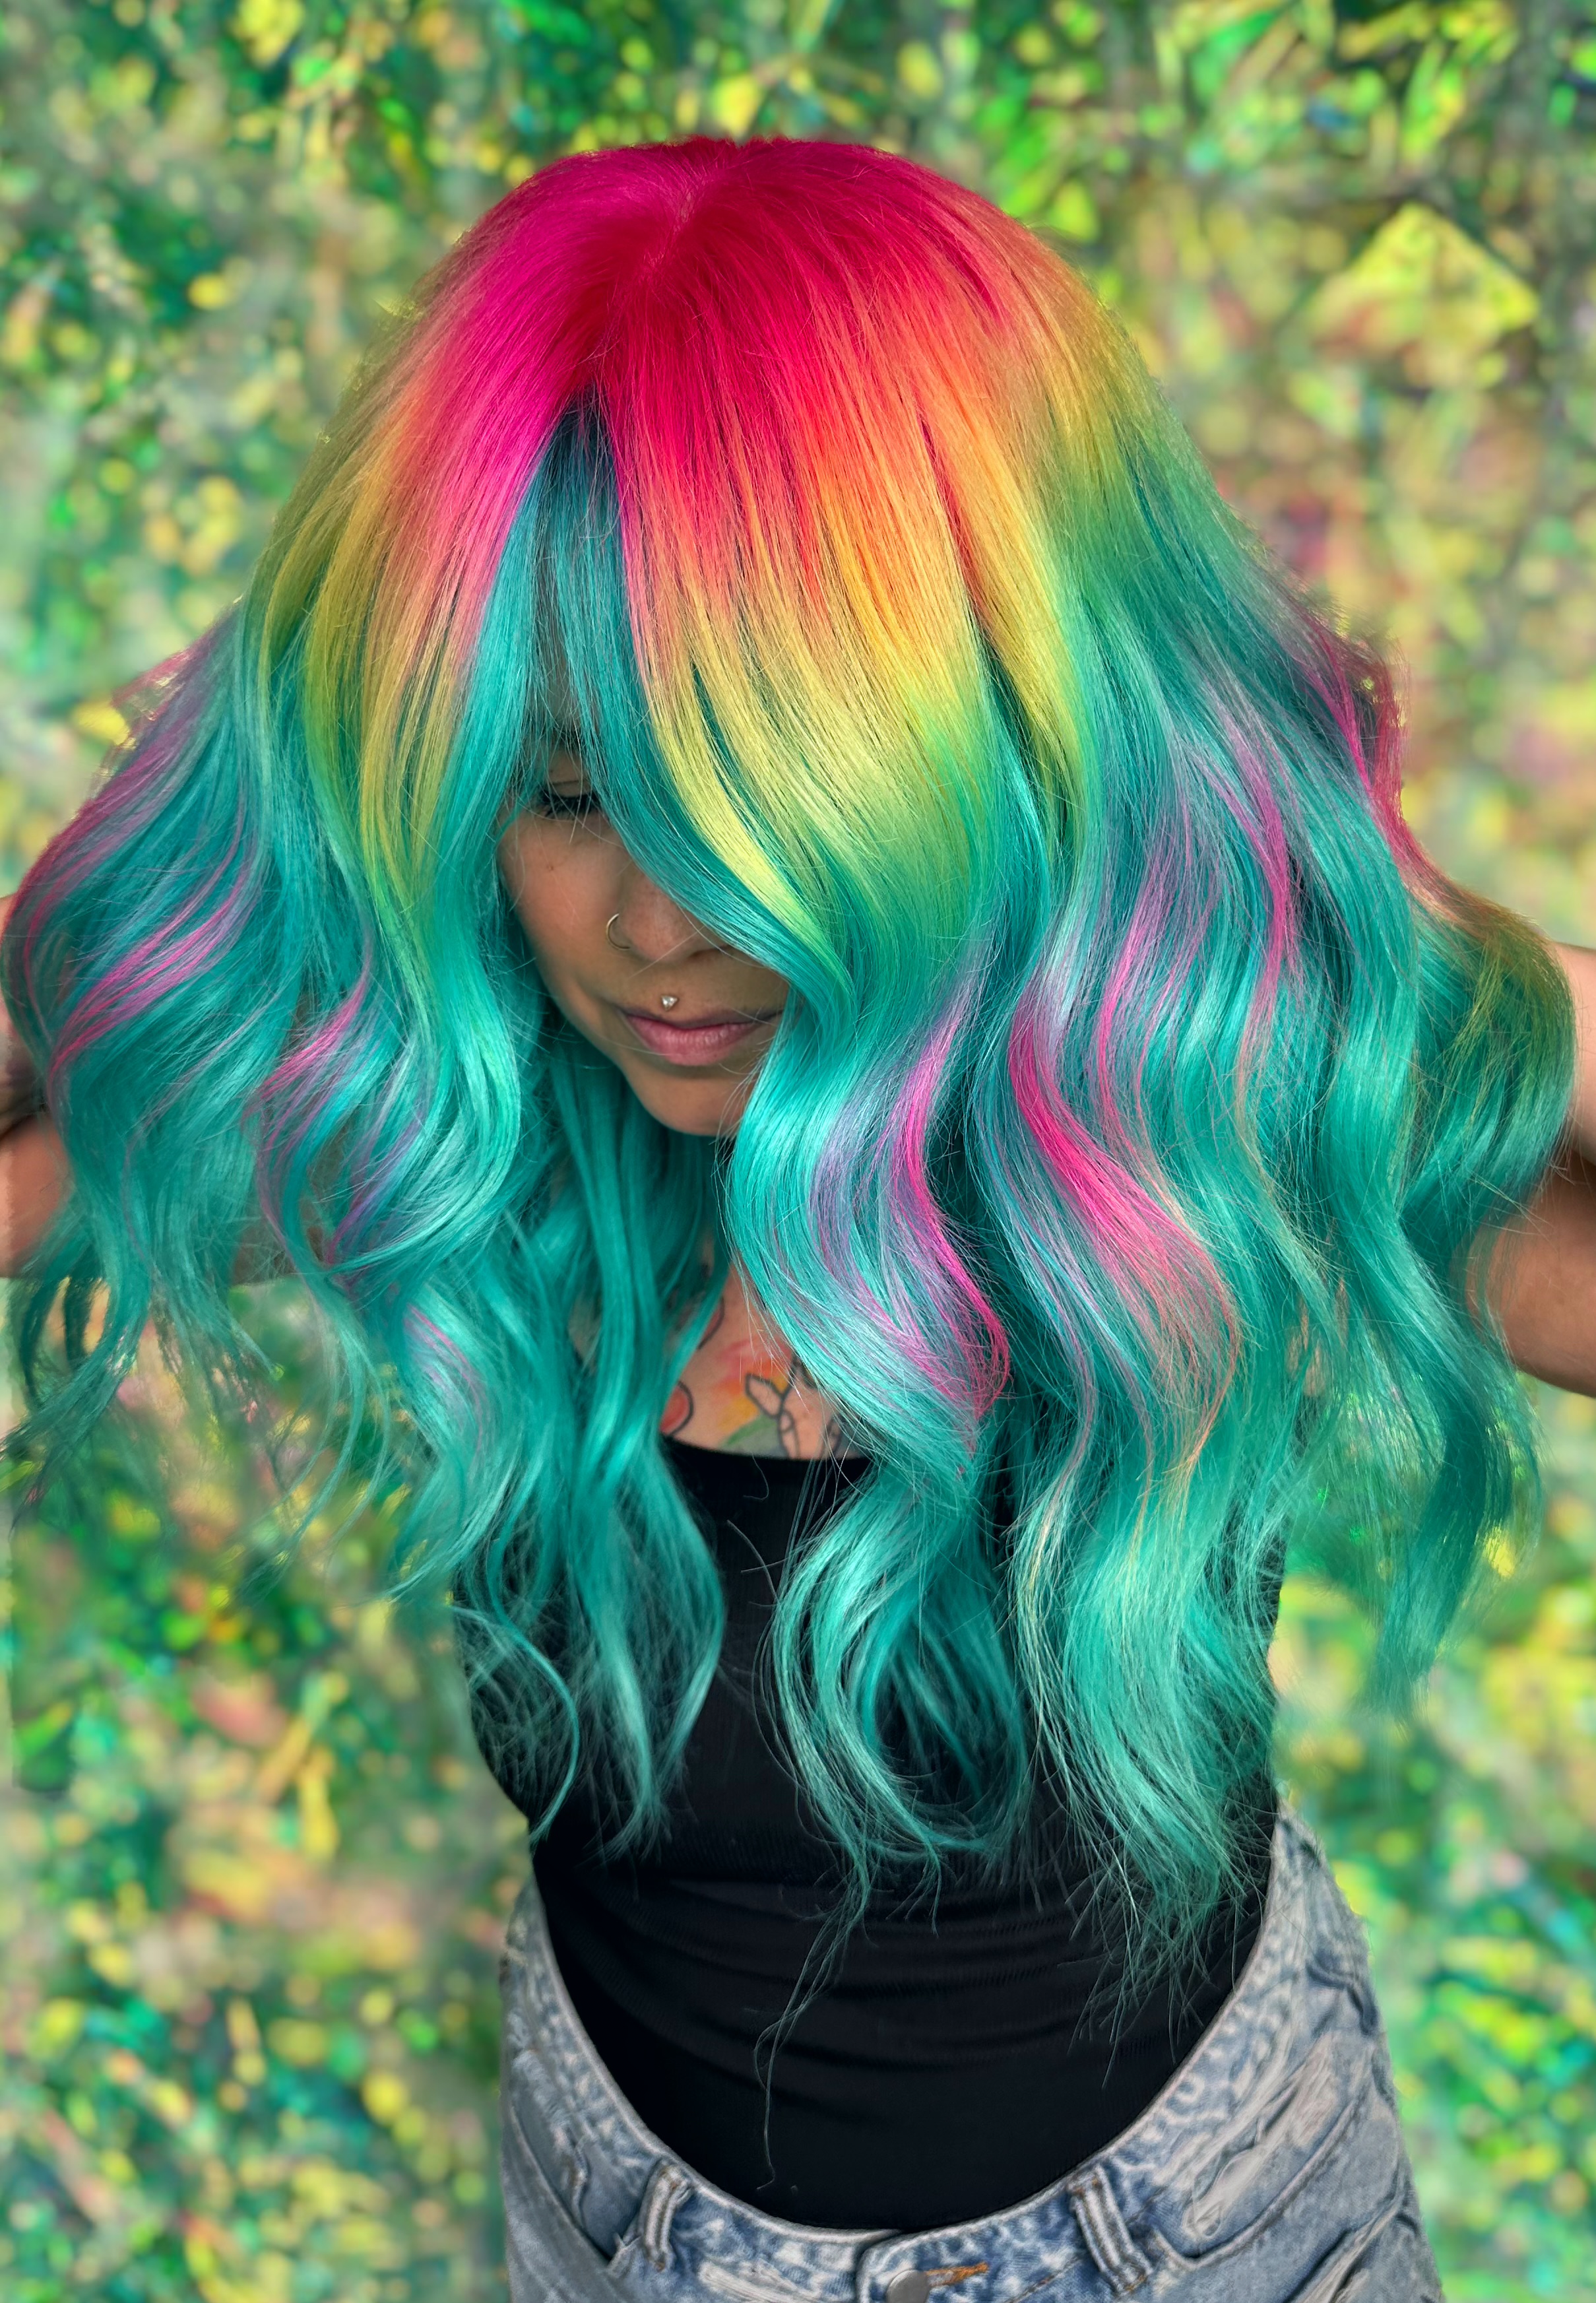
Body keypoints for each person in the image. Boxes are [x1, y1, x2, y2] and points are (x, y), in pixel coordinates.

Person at [3, 133, 1594, 2302]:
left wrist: (1389, 969)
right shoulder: (475, 1142)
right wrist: (138, 938)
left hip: (1185, 2241)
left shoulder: (1197, 1153)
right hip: (607, 2212)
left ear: (988, 760)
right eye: (568, 789)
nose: (659, 923)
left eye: (765, 801)